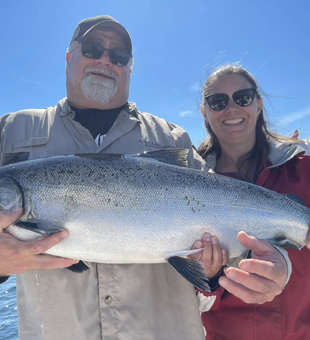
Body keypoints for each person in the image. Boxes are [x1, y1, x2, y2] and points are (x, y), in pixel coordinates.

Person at [0, 17, 292, 340]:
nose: (105, 60)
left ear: (129, 69)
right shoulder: (10, 132)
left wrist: (270, 267)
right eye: (93, 48)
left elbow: (236, 227)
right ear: (69, 57)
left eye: (119, 55)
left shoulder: (174, 139)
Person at [193, 63, 310, 339]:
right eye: (218, 101)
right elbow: (181, 293)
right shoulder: (187, 182)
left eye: (242, 98)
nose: (231, 108)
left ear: (258, 104)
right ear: (205, 112)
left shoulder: (304, 169)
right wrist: (206, 277)